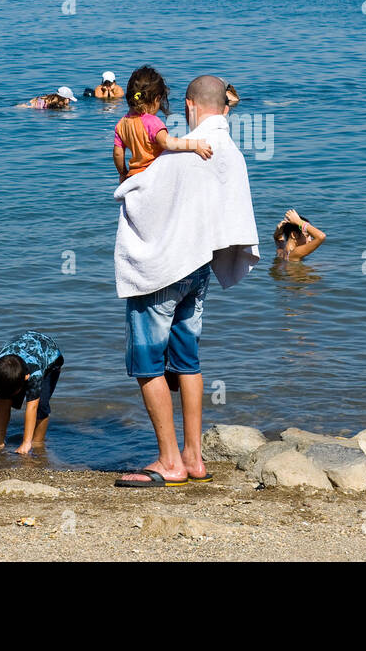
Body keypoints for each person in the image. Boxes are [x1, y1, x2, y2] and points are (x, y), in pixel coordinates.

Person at [112, 75, 259, 487]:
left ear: (191, 106)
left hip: (164, 271)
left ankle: (169, 462)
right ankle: (194, 458)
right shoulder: (230, 150)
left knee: (147, 365)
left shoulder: (181, 154)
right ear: (222, 106)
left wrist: (128, 180)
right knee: (187, 362)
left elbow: (136, 196)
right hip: (199, 269)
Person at [112, 66, 212, 183]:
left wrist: (123, 173)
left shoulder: (121, 124)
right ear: (156, 99)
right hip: (154, 176)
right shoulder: (152, 122)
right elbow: (167, 142)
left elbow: (118, 153)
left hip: (133, 177)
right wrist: (194, 145)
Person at [0, 330, 64, 455]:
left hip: (51, 357)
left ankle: (37, 443)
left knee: (41, 405)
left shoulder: (34, 374)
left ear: (25, 379)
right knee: (3, 398)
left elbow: (31, 408)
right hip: (18, 350)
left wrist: (26, 442)